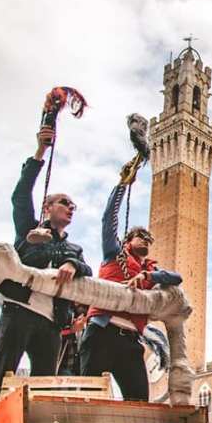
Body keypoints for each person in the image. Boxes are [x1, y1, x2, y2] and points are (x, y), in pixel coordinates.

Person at [0, 125, 92, 423]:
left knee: (42, 393)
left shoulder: (72, 246)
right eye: (63, 202)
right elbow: (19, 195)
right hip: (18, 313)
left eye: (73, 205)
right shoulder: (29, 228)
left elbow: (85, 266)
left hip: (50, 325)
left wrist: (72, 262)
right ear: (48, 205)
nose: (70, 207)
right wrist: (39, 153)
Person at [80, 164, 182, 401]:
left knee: (138, 402)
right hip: (102, 333)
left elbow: (176, 278)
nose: (146, 240)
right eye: (141, 236)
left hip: (131, 342)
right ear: (128, 239)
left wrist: (148, 276)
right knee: (89, 399)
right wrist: (122, 186)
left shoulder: (150, 269)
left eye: (149, 239)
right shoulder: (113, 253)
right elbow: (109, 220)